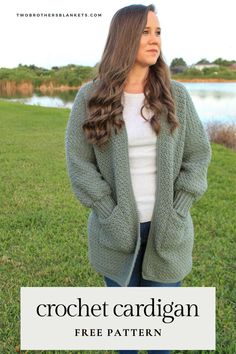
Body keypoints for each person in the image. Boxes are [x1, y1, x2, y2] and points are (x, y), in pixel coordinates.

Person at [65, 4, 212, 354]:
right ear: (125, 37)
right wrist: (109, 212)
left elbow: (198, 155)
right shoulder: (91, 98)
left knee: (161, 341)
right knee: (126, 341)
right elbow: (79, 164)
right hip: (115, 233)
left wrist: (178, 209)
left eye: (158, 32)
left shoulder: (177, 95)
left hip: (168, 231)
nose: (154, 40)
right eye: (146, 32)